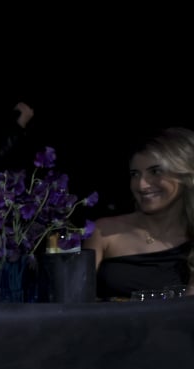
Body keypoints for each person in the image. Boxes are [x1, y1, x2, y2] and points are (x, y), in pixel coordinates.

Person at [83, 126, 194, 300]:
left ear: (185, 175)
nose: (141, 185)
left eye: (155, 172)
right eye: (135, 174)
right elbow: (74, 309)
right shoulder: (104, 232)